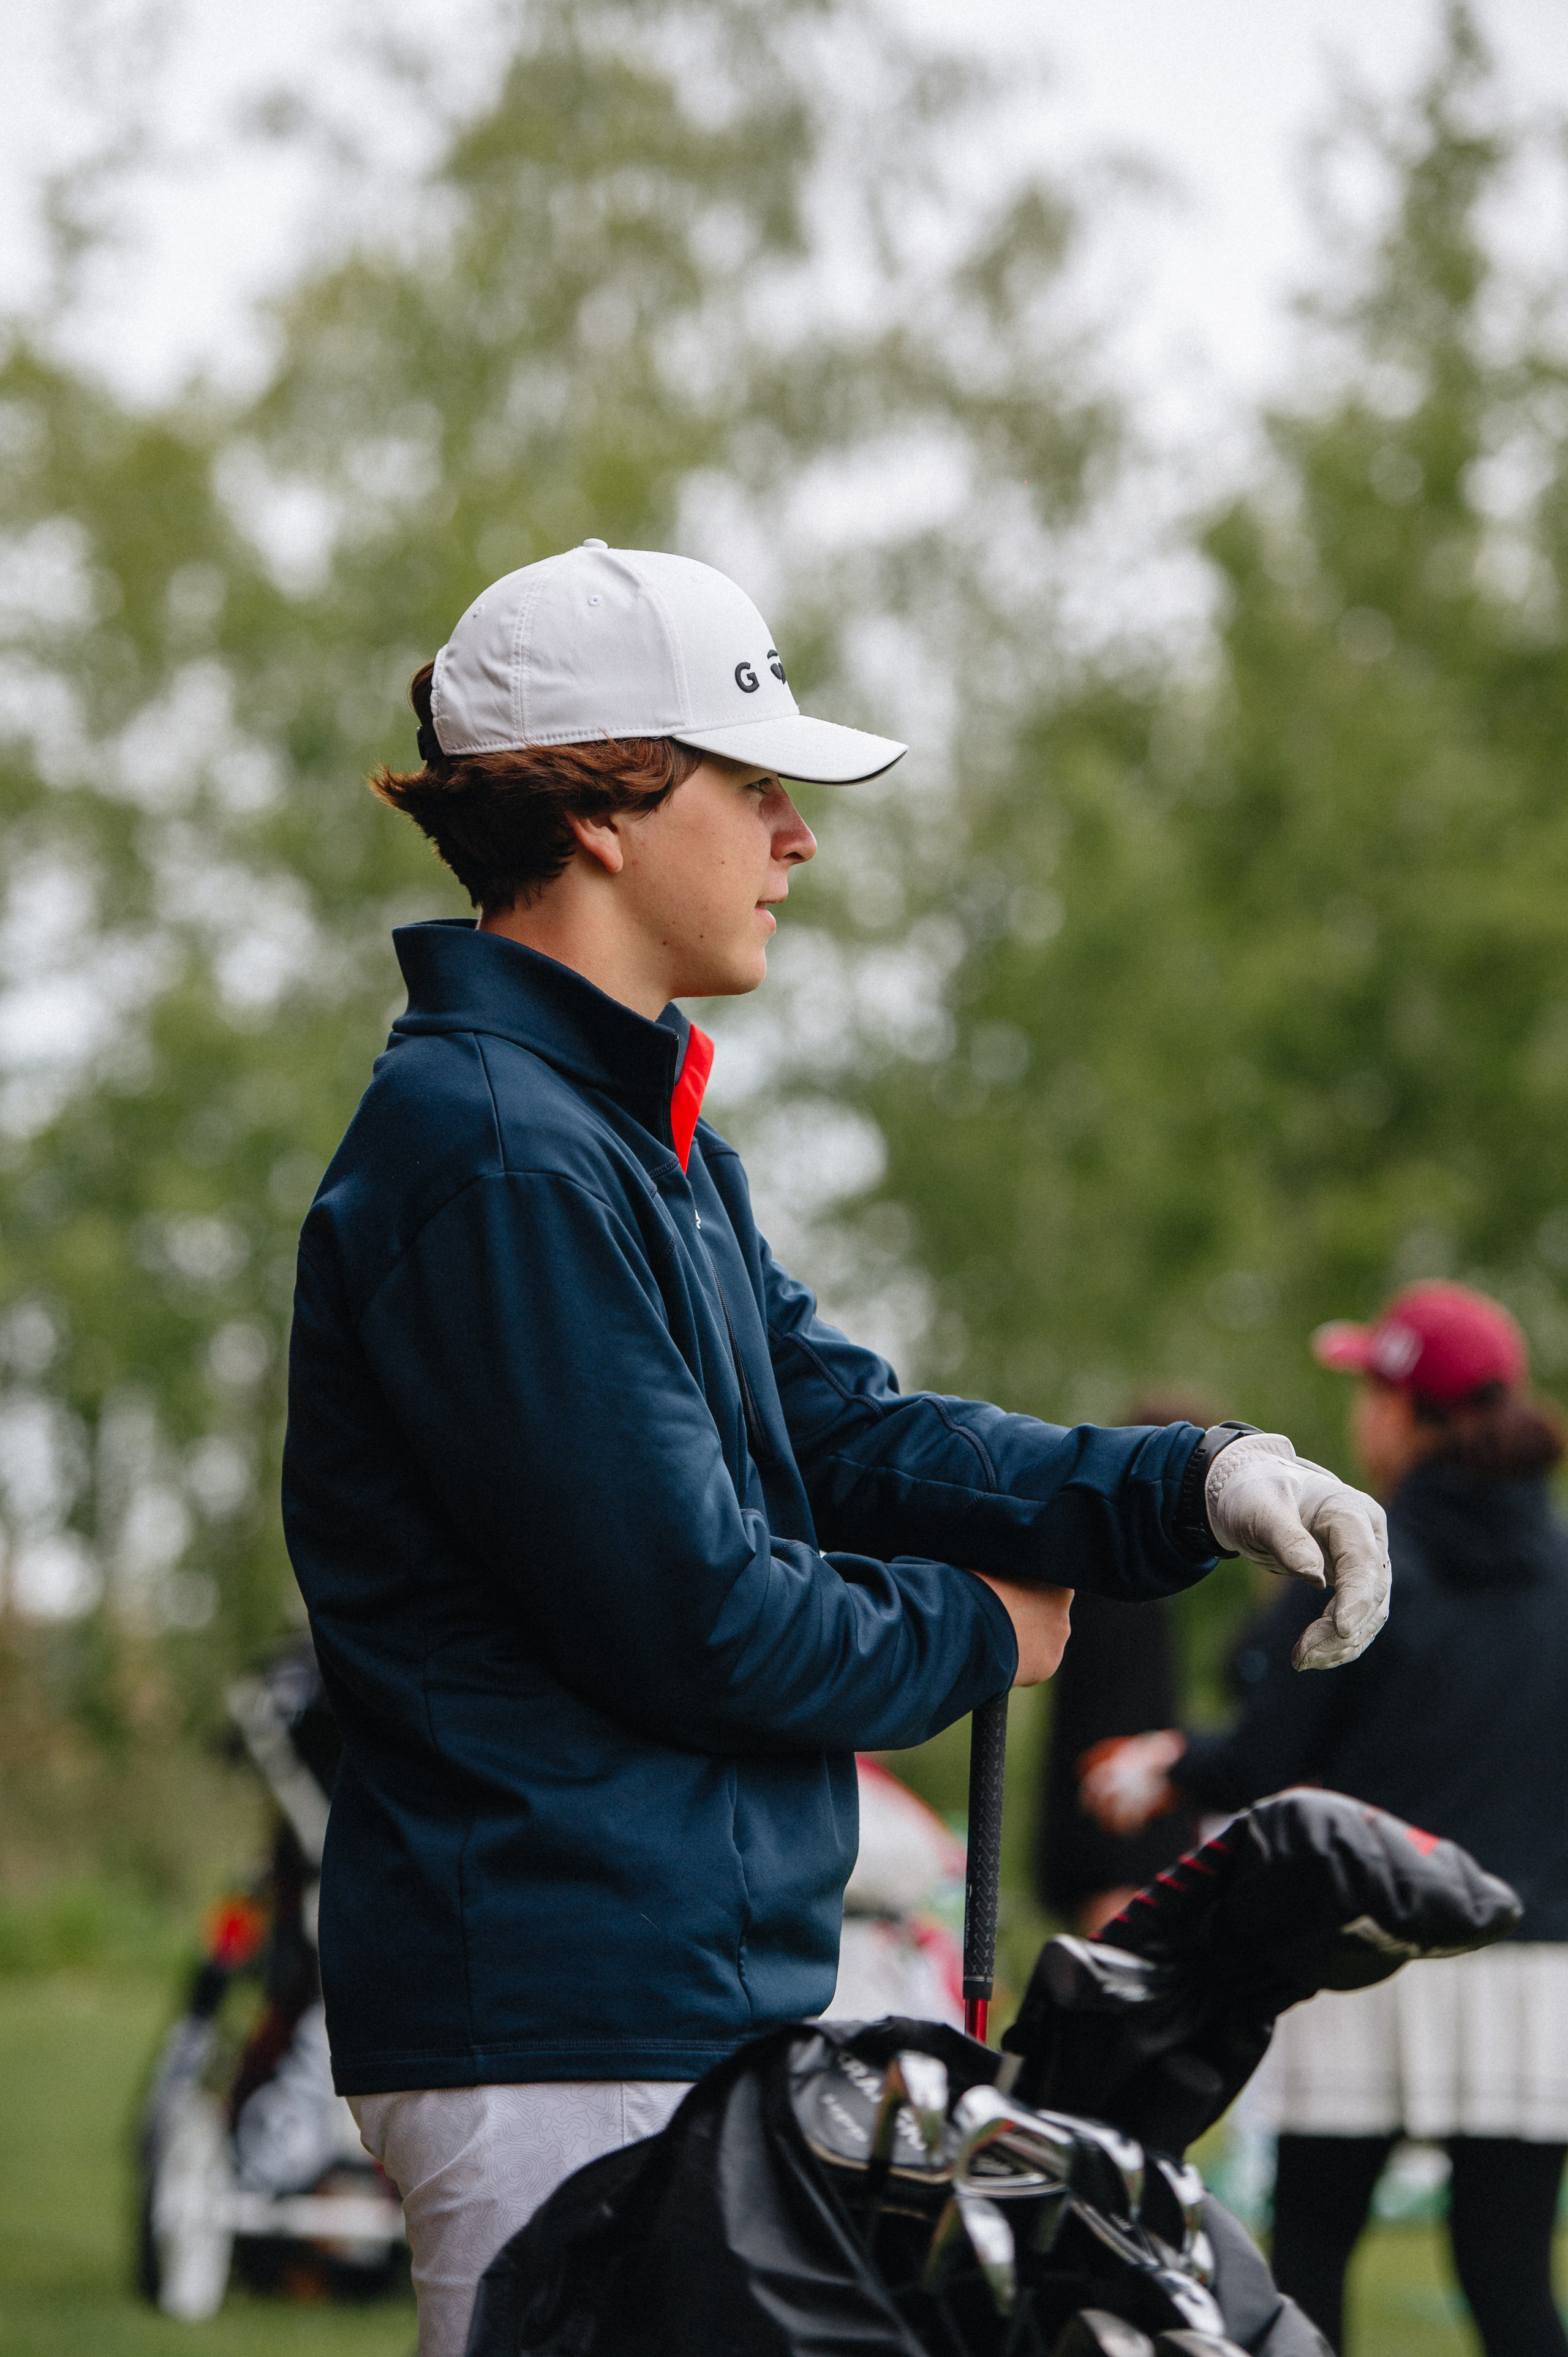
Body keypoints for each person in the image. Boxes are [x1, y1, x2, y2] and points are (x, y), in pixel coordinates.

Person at [281, 540, 1391, 2356]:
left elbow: (843, 1430)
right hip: (568, 2023)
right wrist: (984, 1630)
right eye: (754, 783)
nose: (795, 835)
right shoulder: (494, 1151)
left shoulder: (631, 1130)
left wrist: (1182, 1486)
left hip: (669, 2003)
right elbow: (695, 1610)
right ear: (610, 807)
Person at [1079, 1281, 1568, 2357]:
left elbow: (1265, 1752)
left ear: (1403, 1411)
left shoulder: (1371, 1549)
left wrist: (1172, 1760)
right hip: (1528, 1958)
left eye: (1369, 1392)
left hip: (1364, 1947)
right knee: (1509, 2278)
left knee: (1306, 2260)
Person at [1034, 1392, 1210, 1936]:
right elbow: (1108, 1732)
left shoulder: (1116, 1582)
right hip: (1119, 1868)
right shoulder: (1121, 1594)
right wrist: (1116, 1878)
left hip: (1112, 1860)